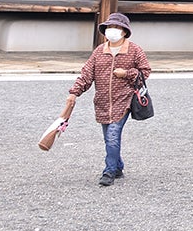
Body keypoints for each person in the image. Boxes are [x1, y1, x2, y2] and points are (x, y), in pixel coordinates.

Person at [61, 12, 152, 187]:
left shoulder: (134, 50)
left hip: (123, 101)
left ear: (124, 31)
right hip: (102, 102)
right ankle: (118, 167)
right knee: (109, 137)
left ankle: (109, 171)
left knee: (112, 135)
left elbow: (145, 71)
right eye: (110, 27)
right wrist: (74, 93)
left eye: (117, 27)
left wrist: (126, 73)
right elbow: (86, 75)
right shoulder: (99, 52)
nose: (113, 30)